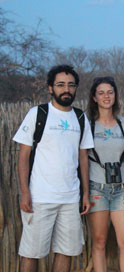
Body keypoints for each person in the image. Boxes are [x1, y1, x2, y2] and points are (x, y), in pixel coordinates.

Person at [13, 65, 94, 272]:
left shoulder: (80, 118)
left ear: (76, 88)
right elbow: (23, 157)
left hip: (70, 198)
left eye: (70, 85)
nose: (66, 89)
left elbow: (83, 157)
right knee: (31, 253)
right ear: (50, 88)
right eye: (60, 85)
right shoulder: (37, 114)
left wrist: (85, 193)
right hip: (40, 197)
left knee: (66, 251)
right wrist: (25, 192)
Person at [86, 76, 124, 272]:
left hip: (121, 189)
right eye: (101, 92)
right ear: (94, 97)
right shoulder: (88, 125)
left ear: (115, 95)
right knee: (99, 242)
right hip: (96, 187)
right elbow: (82, 158)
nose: (106, 96)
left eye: (110, 92)